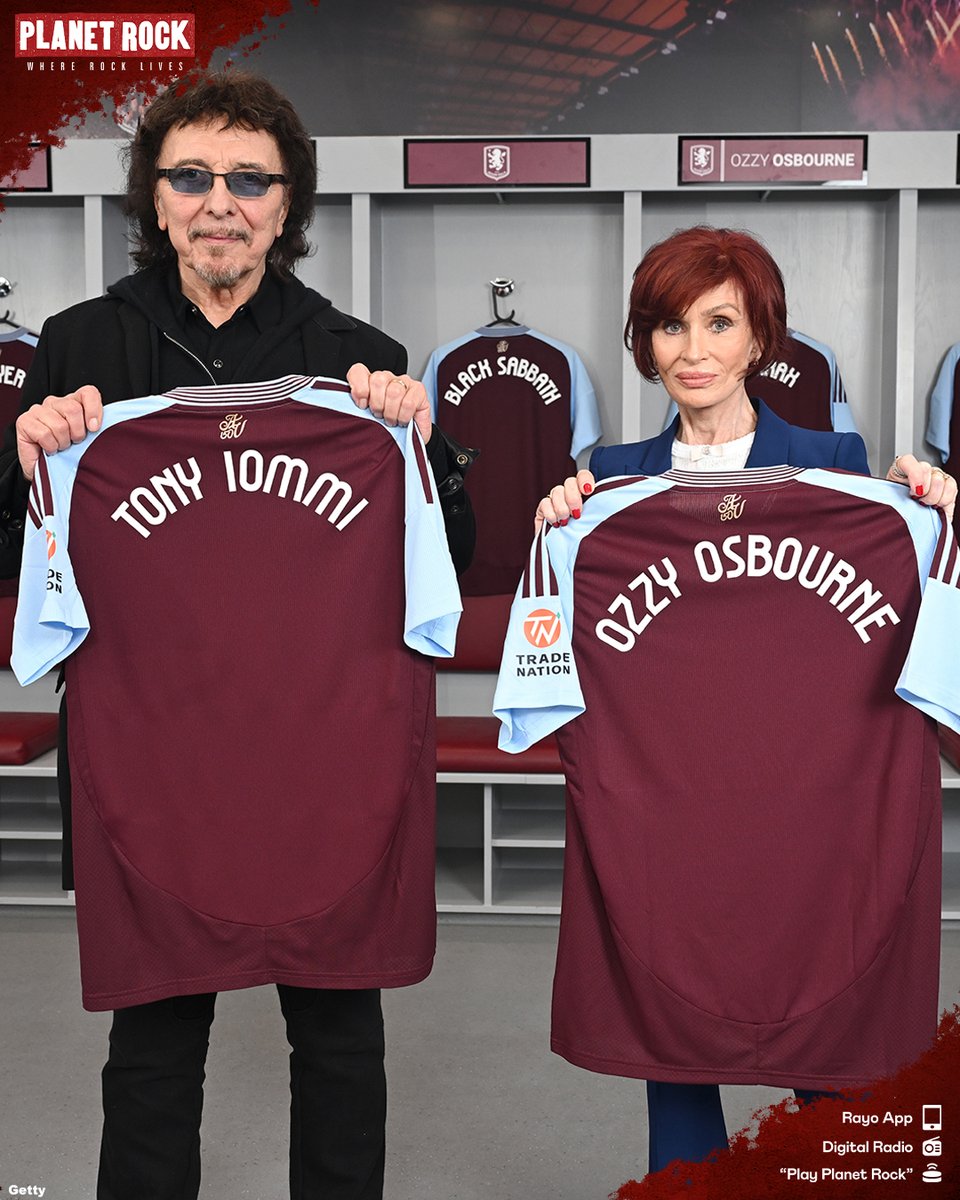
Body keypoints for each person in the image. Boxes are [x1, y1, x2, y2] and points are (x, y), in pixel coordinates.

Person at [1, 72, 474, 1200]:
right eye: (193, 176)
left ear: (287, 202)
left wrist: (422, 439)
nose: (222, 201)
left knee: (341, 1039)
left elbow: (442, 552)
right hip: (151, 756)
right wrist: (24, 455)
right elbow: (26, 559)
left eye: (250, 180)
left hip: (324, 762)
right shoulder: (76, 347)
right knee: (154, 1050)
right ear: (155, 201)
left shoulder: (359, 352)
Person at [533, 225, 957, 1175]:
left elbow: (911, 604)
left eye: (719, 323)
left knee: (835, 1064)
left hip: (815, 815)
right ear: (645, 344)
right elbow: (558, 652)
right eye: (670, 328)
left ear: (760, 338)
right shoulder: (610, 483)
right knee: (676, 1058)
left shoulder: (844, 464)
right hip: (670, 818)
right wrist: (557, 534)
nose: (693, 352)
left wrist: (933, 510)